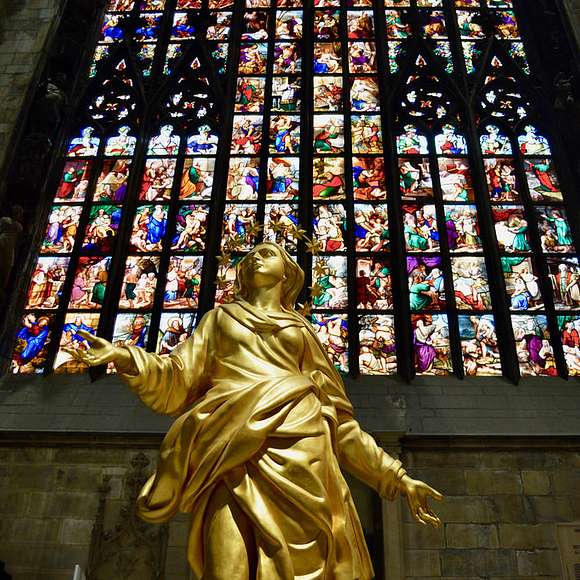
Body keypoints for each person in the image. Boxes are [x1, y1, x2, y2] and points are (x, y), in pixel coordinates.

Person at [65, 242, 442, 580]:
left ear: (288, 274)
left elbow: (342, 423)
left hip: (301, 457)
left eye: (268, 253)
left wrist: (396, 477)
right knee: (225, 567)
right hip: (229, 450)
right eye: (252, 254)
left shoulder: (302, 332)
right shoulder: (219, 319)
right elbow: (177, 377)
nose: (256, 257)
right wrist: (124, 357)